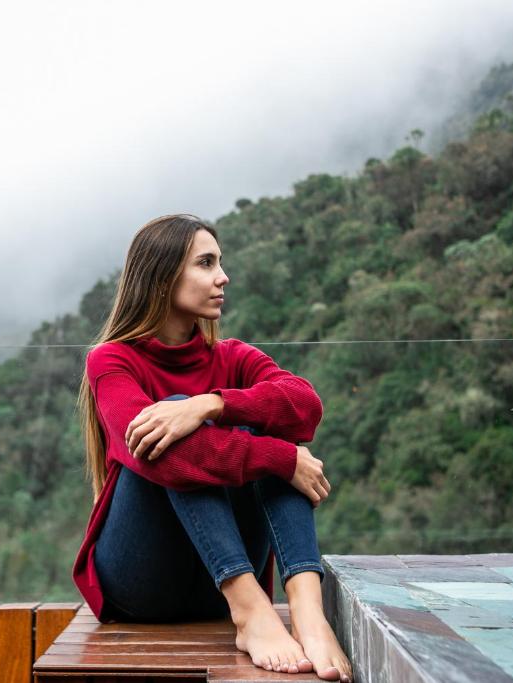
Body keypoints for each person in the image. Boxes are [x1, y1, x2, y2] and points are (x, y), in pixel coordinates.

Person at [72, 214, 352, 682]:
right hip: (140, 583)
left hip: (210, 585)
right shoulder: (112, 361)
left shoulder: (233, 357)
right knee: (173, 427)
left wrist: (212, 404)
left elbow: (305, 406)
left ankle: (307, 611)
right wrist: (283, 459)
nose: (223, 277)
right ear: (162, 276)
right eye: (206, 263)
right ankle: (251, 612)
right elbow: (169, 460)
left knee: (272, 416)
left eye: (219, 263)